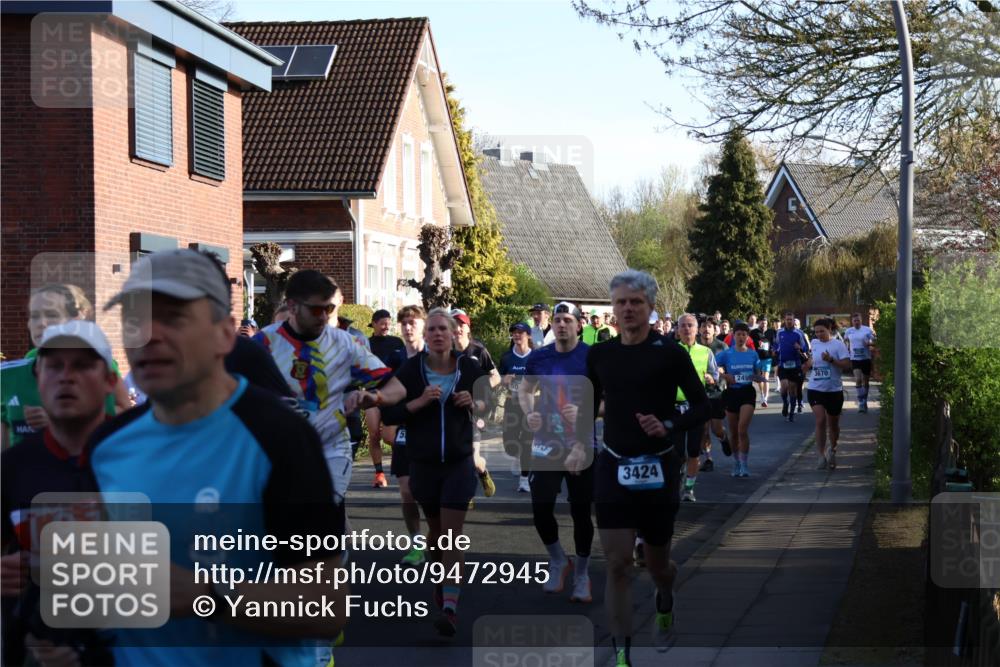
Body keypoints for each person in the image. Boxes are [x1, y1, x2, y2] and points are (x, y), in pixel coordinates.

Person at [93, 249, 358, 665]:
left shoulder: (280, 438)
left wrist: (205, 594)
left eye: (174, 319)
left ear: (224, 333)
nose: (148, 335)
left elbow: (325, 607)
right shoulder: (107, 446)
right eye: (134, 319)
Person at [583, 270, 709, 663]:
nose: (627, 309)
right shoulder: (600, 354)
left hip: (658, 467)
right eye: (620, 302)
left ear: (651, 308)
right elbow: (586, 404)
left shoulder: (669, 353)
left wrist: (668, 424)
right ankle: (621, 656)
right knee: (618, 565)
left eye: (635, 302)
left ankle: (665, 595)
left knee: (657, 566)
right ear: (613, 310)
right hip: (614, 466)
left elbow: (704, 405)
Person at [1, 322, 118, 667]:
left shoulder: (139, 464)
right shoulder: (12, 467)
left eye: (82, 365)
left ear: (110, 381)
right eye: (54, 366)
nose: (66, 377)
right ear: (38, 380)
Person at [379, 308, 491, 638]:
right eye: (433, 330)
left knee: (452, 536)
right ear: (425, 336)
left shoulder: (469, 367)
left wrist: (475, 402)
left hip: (458, 462)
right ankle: (441, 582)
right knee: (437, 534)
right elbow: (389, 409)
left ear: (454, 333)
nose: (438, 334)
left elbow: (490, 407)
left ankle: (451, 608)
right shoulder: (412, 370)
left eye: (444, 328)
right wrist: (418, 403)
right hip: (424, 465)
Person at [254, 270, 405, 506]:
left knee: (319, 512)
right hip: (280, 449)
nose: (324, 317)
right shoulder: (264, 342)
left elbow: (397, 388)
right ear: (292, 306)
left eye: (329, 309)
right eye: (316, 310)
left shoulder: (344, 344)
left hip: (331, 449)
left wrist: (374, 396)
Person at [518, 302, 594, 602]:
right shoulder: (540, 358)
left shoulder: (592, 358)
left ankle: (583, 574)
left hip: (582, 444)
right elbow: (525, 390)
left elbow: (609, 400)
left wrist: (587, 412)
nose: (561, 325)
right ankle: (559, 559)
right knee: (540, 508)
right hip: (546, 443)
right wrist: (528, 413)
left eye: (567, 320)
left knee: (581, 512)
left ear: (579, 325)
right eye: (558, 320)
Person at [1, 284, 129, 447]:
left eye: (52, 314)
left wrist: (60, 422)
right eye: (34, 316)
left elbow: (125, 412)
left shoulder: (100, 365)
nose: (42, 323)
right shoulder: (13, 372)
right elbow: (5, 428)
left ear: (75, 320)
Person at [390, 305, 431, 566]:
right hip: (405, 429)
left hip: (431, 430)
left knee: (429, 494)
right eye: (403, 323)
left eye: (412, 322)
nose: (407, 327)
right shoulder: (395, 358)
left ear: (423, 326)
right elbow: (385, 393)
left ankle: (438, 536)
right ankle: (417, 543)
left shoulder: (435, 356)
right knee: (406, 491)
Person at [675, 314, 720, 502]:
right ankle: (676, 483)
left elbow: (715, 375)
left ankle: (689, 489)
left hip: (695, 408)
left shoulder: (705, 352)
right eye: (683, 326)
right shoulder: (670, 350)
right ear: (678, 330)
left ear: (697, 330)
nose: (686, 329)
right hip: (673, 408)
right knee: (676, 453)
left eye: (690, 326)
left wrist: (711, 379)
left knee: (694, 450)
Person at [715, 321, 764, 478]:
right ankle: (736, 462)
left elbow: (760, 376)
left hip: (747, 393)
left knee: (742, 429)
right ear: (733, 335)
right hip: (732, 394)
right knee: (734, 432)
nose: (741, 337)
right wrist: (724, 375)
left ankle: (744, 464)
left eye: (744, 334)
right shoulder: (726, 354)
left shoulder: (752, 353)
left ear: (747, 337)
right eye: (738, 334)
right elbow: (711, 366)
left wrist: (755, 376)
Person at [803, 318, 852, 469]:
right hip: (815, 388)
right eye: (816, 332)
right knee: (820, 420)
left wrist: (831, 360)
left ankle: (833, 449)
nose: (818, 334)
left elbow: (846, 365)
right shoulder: (815, 343)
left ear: (829, 329)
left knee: (833, 424)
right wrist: (807, 365)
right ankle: (821, 455)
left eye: (821, 331)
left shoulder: (838, 344)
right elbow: (813, 359)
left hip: (834, 390)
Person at [367, 309, 408, 488]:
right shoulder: (366, 344)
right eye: (382, 323)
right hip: (372, 393)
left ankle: (402, 465)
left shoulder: (397, 342)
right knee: (374, 434)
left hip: (393, 395)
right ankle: (379, 473)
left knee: (390, 438)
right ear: (374, 323)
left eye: (388, 323)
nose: (386, 327)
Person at [499, 322, 534, 493]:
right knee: (509, 443)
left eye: (521, 332)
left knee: (528, 441)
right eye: (514, 332)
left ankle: (524, 479)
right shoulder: (506, 358)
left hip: (531, 405)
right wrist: (504, 380)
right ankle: (518, 455)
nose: (517, 335)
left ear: (528, 335)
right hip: (512, 403)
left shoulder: (536, 356)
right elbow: (497, 382)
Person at [697, 317, 730, 473]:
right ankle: (708, 459)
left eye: (709, 326)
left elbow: (729, 368)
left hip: (717, 392)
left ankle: (723, 438)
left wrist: (721, 371)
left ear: (714, 329)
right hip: (699, 393)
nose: (706, 329)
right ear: (699, 329)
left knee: (716, 428)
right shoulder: (694, 346)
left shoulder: (721, 346)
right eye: (703, 326)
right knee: (704, 429)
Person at [451, 309, 501, 389]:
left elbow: (496, 377)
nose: (457, 329)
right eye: (453, 325)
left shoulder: (479, 350)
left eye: (461, 325)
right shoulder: (447, 352)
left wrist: (480, 389)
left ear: (468, 328)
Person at [776, 311, 809, 423]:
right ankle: (785, 402)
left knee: (793, 389)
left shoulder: (799, 333)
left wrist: (799, 347)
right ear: (784, 320)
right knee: (784, 387)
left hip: (795, 365)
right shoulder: (779, 333)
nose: (789, 321)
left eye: (791, 319)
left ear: (793, 320)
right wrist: (774, 350)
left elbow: (805, 349)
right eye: (787, 319)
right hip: (783, 364)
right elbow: (775, 345)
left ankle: (791, 414)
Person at [843, 313, 876, 413]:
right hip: (855, 358)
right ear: (852, 322)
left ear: (861, 320)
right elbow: (845, 342)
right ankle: (861, 402)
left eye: (858, 320)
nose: (856, 322)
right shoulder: (848, 331)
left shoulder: (867, 330)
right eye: (854, 320)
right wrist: (846, 349)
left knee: (866, 382)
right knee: (858, 379)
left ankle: (864, 401)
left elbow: (875, 342)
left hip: (866, 358)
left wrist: (869, 344)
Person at [753, 317, 772, 407]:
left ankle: (765, 398)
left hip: (767, 358)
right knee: (760, 378)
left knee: (766, 377)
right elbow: (749, 344)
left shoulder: (771, 332)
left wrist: (773, 350)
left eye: (765, 323)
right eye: (762, 323)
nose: (764, 324)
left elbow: (774, 343)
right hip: (757, 358)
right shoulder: (753, 332)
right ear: (758, 323)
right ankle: (761, 394)